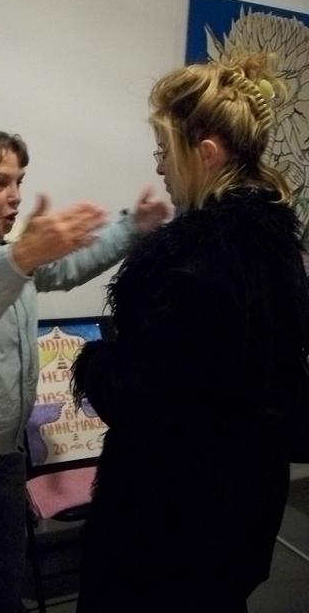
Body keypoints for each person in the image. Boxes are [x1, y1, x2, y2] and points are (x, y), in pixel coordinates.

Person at [71, 54, 309, 613]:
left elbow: (143, 400)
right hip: (245, 507)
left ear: (206, 153)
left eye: (163, 151)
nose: (159, 168)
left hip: (169, 521)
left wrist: (95, 359)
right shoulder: (278, 249)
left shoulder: (196, 266)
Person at [0, 128, 169, 613]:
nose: (16, 195)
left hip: (6, 454)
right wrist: (20, 256)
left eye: (19, 181)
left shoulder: (6, 249)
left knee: (3, 588)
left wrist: (132, 228)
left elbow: (66, 268)